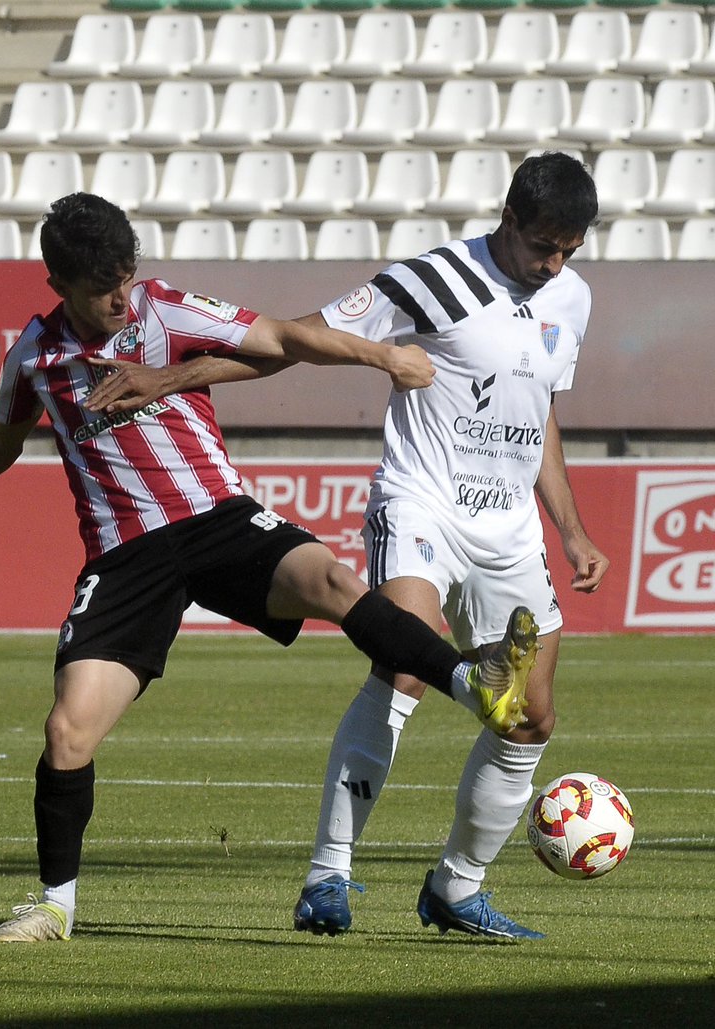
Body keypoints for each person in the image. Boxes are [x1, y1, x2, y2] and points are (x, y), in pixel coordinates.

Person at [0, 191, 540, 945]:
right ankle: (55, 904)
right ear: (59, 287)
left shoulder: (164, 312)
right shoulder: (34, 355)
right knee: (67, 731)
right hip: (125, 554)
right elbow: (0, 441)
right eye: (103, 286)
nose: (121, 295)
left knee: (334, 583)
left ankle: (475, 681)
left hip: (218, 521)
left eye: (127, 275)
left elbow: (278, 337)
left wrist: (381, 354)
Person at [85, 153, 608, 942]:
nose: (554, 264)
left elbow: (540, 416)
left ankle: (457, 888)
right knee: (404, 666)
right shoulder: (430, 279)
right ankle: (328, 875)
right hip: (422, 502)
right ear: (507, 221)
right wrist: (170, 380)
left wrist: (569, 528)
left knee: (530, 719)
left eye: (569, 248)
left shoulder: (572, 296)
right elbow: (300, 341)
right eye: (543, 245)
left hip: (509, 528)